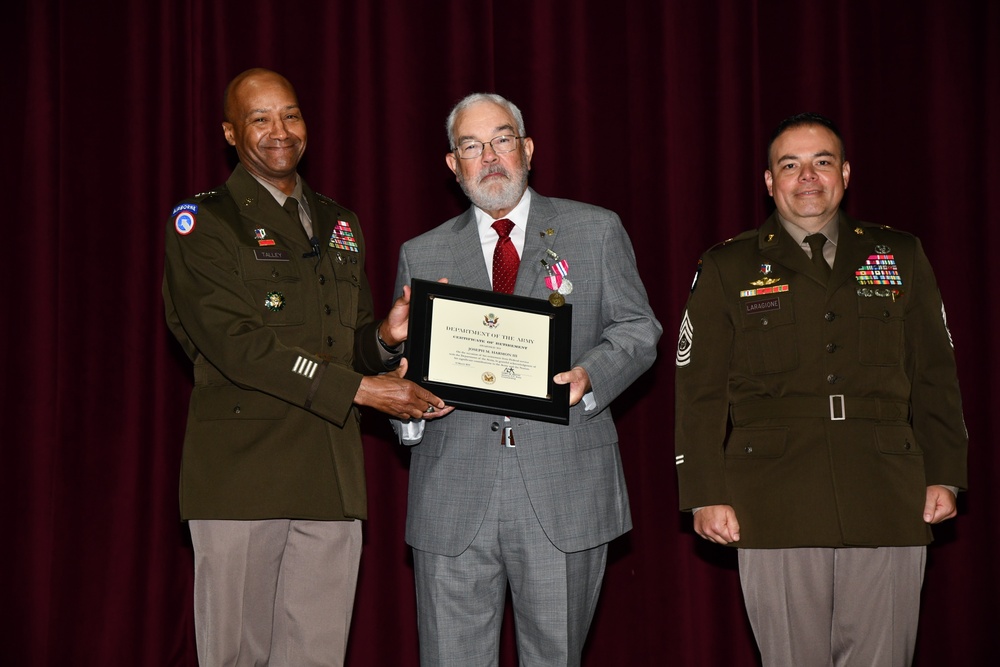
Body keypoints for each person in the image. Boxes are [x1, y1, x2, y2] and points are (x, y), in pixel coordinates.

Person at [162, 68, 450, 667]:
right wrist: (364, 390)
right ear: (229, 133)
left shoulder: (340, 223)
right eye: (259, 119)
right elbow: (238, 346)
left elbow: (345, 344)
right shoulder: (203, 222)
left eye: (290, 115)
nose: (279, 131)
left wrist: (386, 339)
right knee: (235, 657)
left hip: (330, 478)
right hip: (242, 479)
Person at [674, 112, 968, 666]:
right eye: (791, 165)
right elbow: (699, 392)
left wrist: (945, 472)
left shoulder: (899, 254)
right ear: (769, 181)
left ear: (846, 173)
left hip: (888, 491)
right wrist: (704, 491)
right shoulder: (728, 266)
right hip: (772, 497)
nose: (807, 176)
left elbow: (935, 376)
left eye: (822, 162)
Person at [390, 92, 661, 666]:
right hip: (452, 495)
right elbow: (404, 370)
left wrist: (590, 376)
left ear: (528, 149)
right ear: (452, 164)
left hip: (562, 488)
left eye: (502, 139)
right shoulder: (422, 252)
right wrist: (409, 415)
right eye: (471, 145)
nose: (489, 156)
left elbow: (639, 330)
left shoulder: (595, 230)